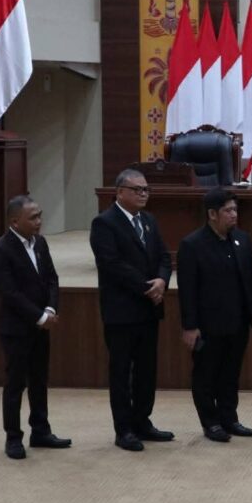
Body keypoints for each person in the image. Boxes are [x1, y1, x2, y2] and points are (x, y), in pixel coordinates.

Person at [90, 169, 174, 452]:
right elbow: (111, 264)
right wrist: (146, 287)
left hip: (150, 308)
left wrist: (162, 280)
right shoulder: (104, 223)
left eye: (146, 189)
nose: (143, 194)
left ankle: (142, 421)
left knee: (147, 371)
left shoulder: (149, 220)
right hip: (122, 310)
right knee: (122, 372)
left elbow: (164, 257)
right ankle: (124, 429)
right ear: (119, 192)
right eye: (137, 189)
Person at [177, 188, 252, 443]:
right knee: (206, 375)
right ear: (212, 214)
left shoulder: (242, 240)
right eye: (228, 210)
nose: (234, 215)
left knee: (230, 373)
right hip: (208, 325)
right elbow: (187, 290)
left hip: (238, 321)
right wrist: (190, 326)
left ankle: (229, 418)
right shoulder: (192, 245)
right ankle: (211, 422)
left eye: (235, 209)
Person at [0, 196, 71, 460]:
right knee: (16, 383)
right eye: (33, 217)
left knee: (39, 380)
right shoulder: (1, 249)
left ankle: (41, 431)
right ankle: (13, 437)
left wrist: (51, 309)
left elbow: (52, 279)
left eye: (39, 215)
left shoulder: (41, 243)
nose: (39, 221)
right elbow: (9, 293)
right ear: (15, 221)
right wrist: (38, 316)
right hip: (17, 328)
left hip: (41, 324)